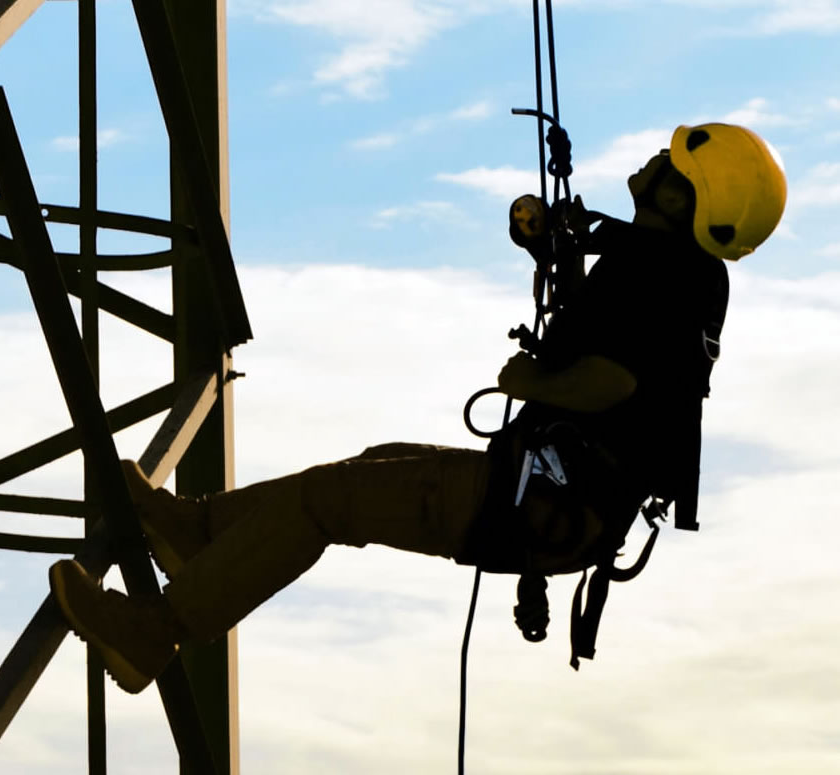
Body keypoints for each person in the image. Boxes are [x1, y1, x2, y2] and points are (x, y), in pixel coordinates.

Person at [49, 122, 788, 694]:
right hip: (555, 493)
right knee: (368, 470)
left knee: (328, 502)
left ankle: (156, 631)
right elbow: (622, 342)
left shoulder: (660, 273)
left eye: (672, 165)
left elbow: (614, 381)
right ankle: (198, 531)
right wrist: (551, 245)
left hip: (547, 500)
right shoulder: (676, 272)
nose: (656, 161)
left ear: (676, 198)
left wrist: (534, 383)